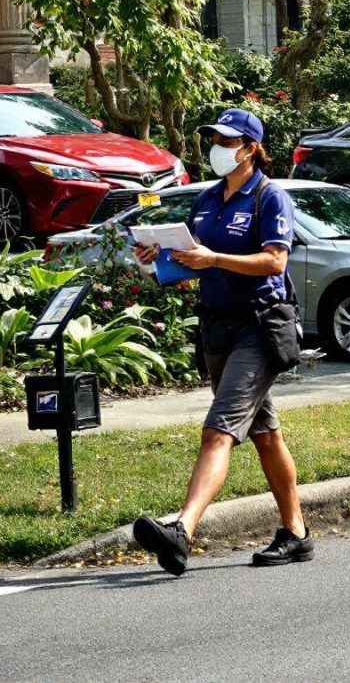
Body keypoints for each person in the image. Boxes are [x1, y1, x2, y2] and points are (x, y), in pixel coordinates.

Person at [131, 108, 312, 575]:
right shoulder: (208, 200)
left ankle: (181, 530)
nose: (217, 146)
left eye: (227, 140)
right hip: (217, 327)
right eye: (212, 137)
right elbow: (187, 265)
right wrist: (155, 260)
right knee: (265, 434)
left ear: (250, 148)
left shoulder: (269, 198)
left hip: (259, 326)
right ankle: (296, 534)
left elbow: (274, 263)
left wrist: (214, 258)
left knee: (218, 431)